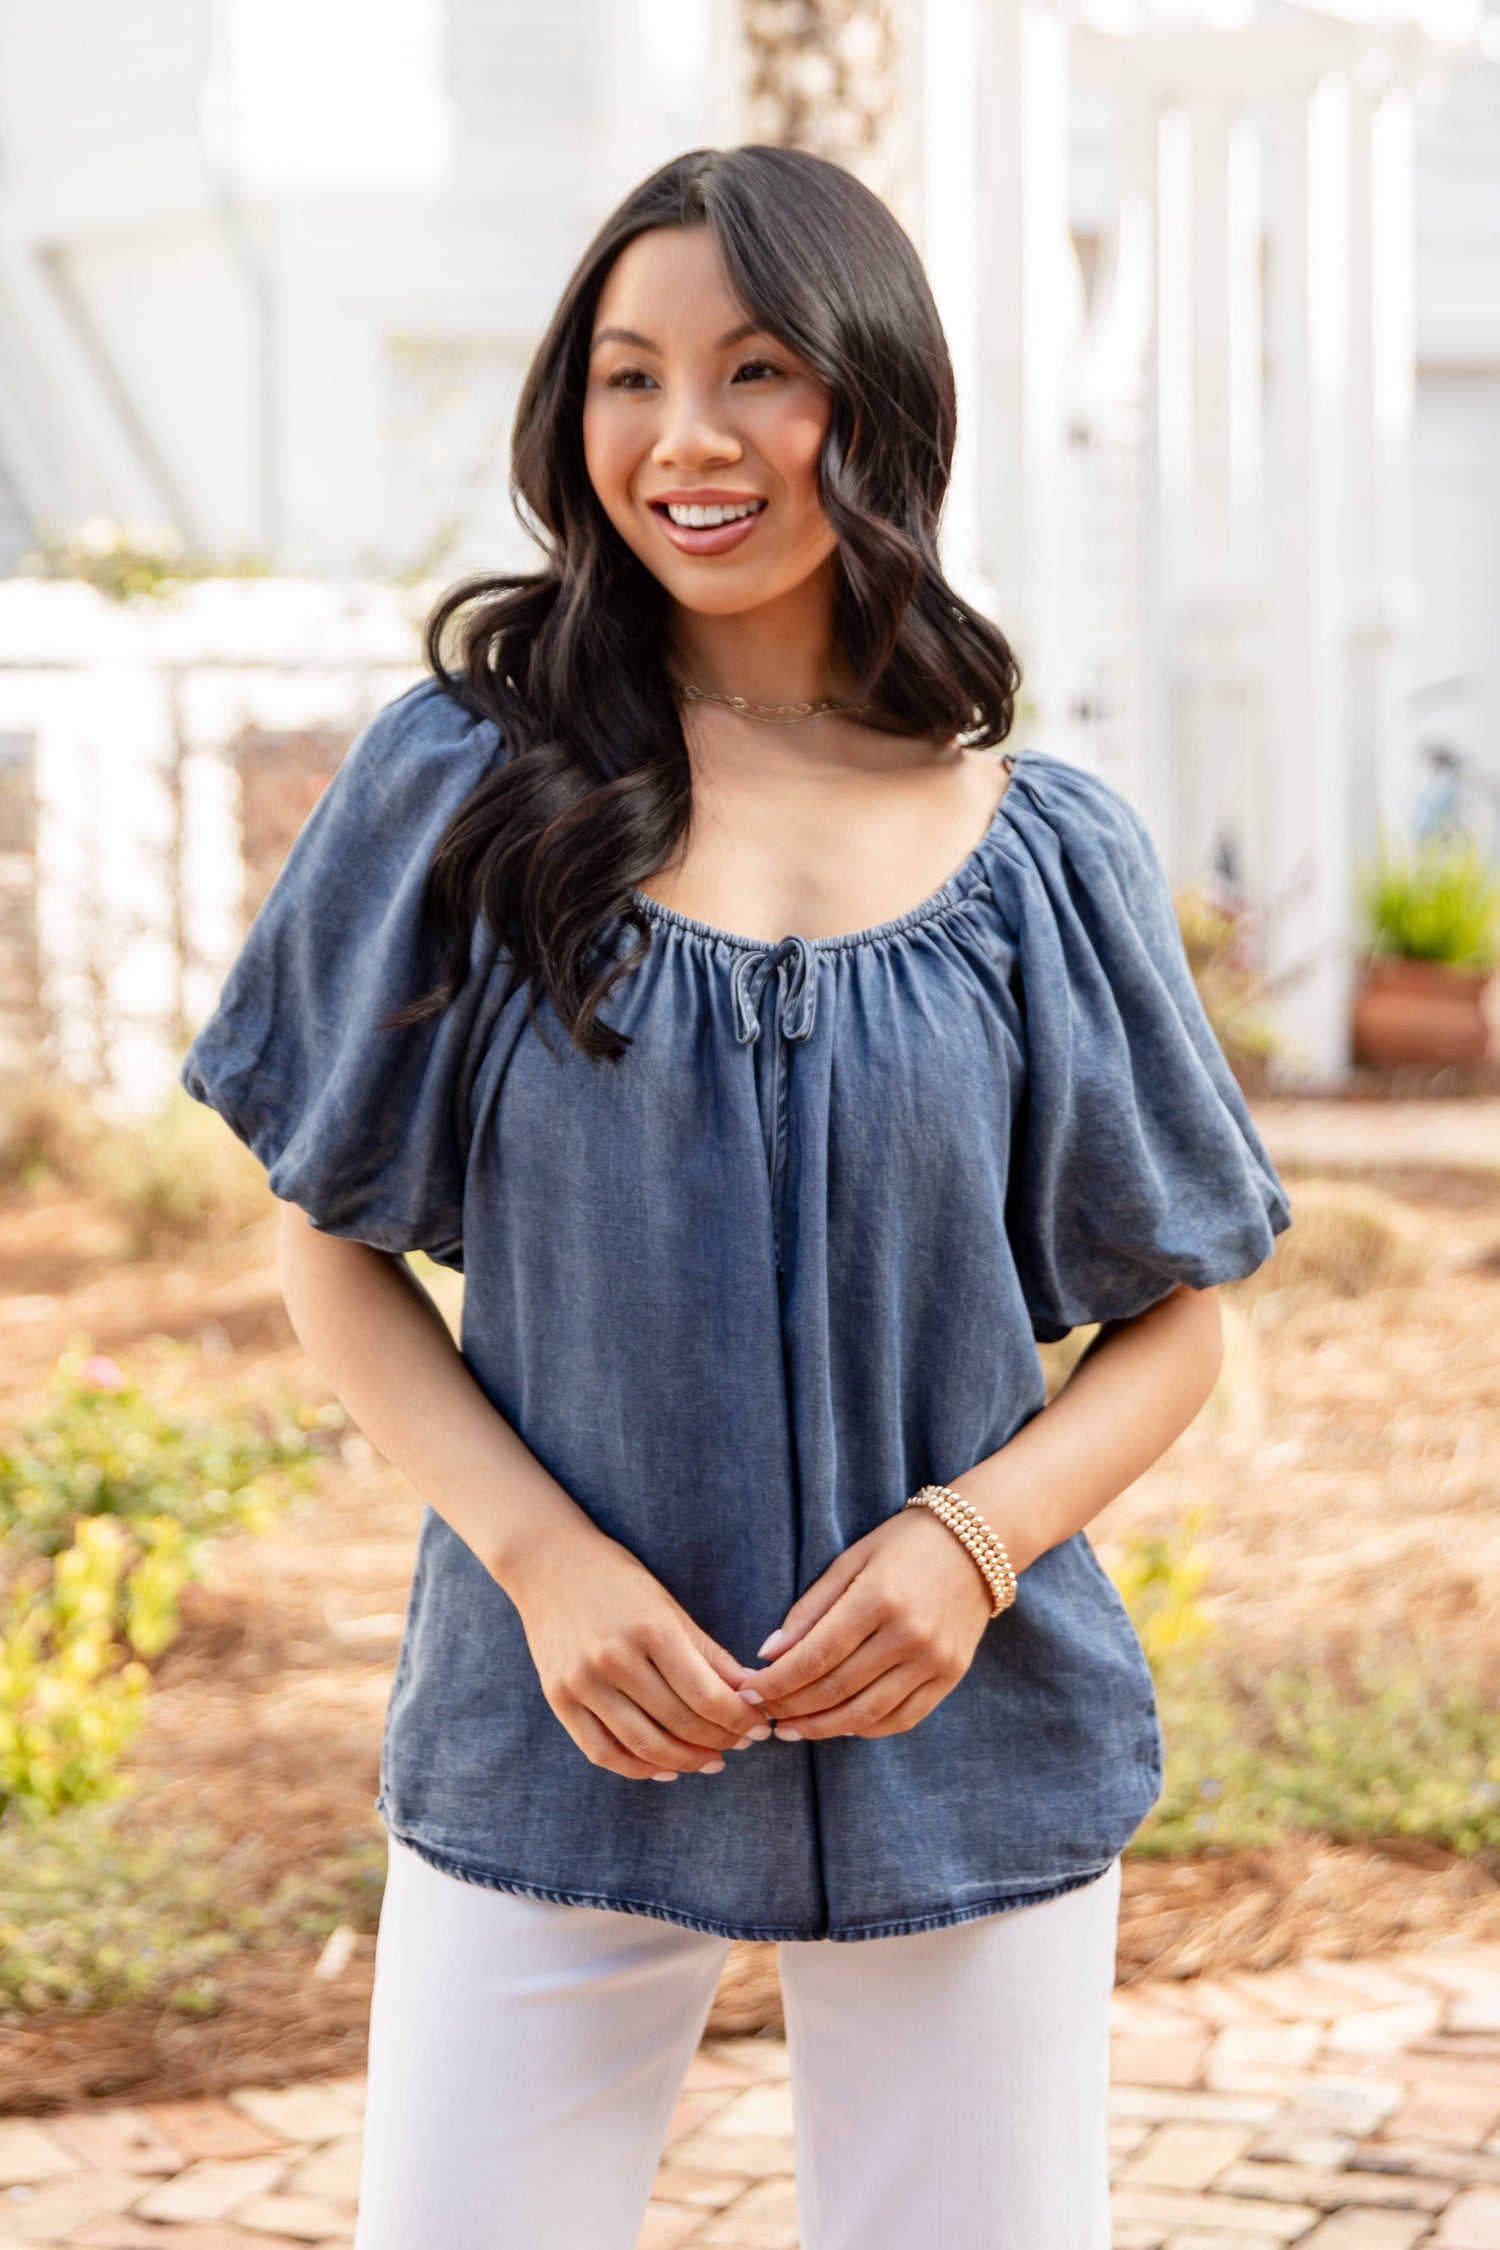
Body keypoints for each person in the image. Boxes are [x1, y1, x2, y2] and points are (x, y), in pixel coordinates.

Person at [182, 145, 1289, 2250]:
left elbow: (1179, 1317)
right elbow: (328, 1243)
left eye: (755, 370)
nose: (683, 440)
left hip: (971, 1744)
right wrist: (547, 1565)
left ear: (872, 403)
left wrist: (975, 1547)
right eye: (627, 376)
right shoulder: (461, 783)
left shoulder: (1042, 849)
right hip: (552, 1726)